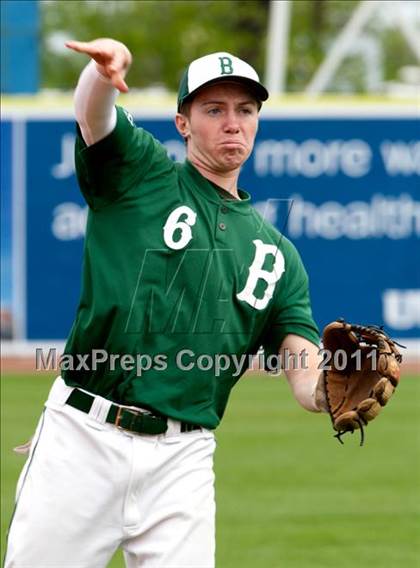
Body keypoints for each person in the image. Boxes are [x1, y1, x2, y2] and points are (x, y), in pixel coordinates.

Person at [5, 38, 327, 568]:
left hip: (184, 459)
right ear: (183, 123)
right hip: (84, 437)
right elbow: (93, 119)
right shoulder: (142, 175)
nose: (232, 123)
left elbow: (300, 360)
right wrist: (102, 75)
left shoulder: (278, 254)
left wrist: (328, 391)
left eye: (245, 110)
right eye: (214, 109)